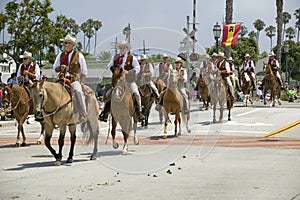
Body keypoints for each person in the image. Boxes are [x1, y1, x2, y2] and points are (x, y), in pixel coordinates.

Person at [99, 40, 145, 122]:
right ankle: (104, 113)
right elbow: (109, 66)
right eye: (121, 48)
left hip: (129, 81)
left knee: (136, 93)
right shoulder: (115, 57)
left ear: (127, 48)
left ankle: (139, 113)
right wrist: (115, 70)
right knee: (109, 94)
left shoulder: (132, 57)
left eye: (124, 47)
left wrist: (128, 72)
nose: (122, 49)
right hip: (117, 81)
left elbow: (137, 68)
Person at [53, 34, 88, 122]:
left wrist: (82, 83)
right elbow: (55, 68)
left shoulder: (78, 55)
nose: (65, 44)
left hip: (73, 79)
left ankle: (84, 113)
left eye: (67, 43)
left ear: (72, 45)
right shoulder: (60, 55)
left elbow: (84, 71)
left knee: (78, 91)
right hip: (61, 79)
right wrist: (60, 68)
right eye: (64, 43)